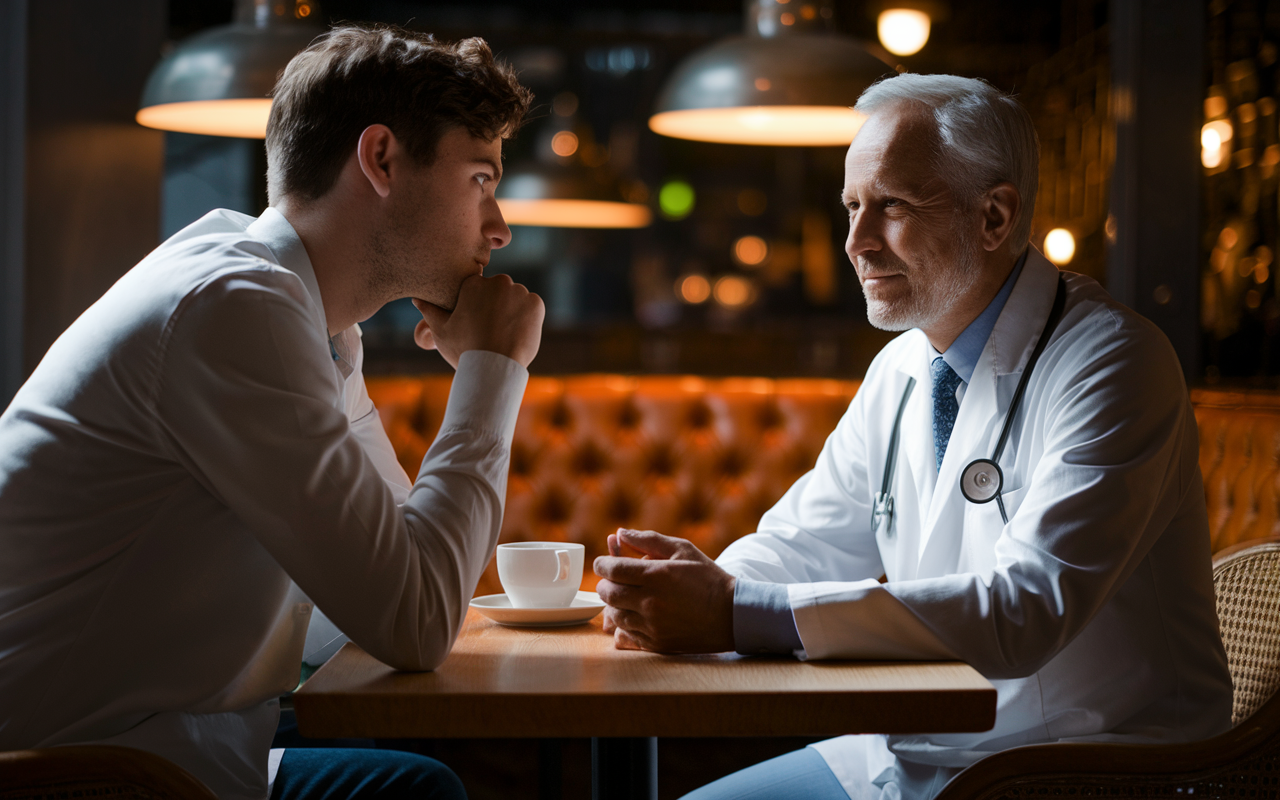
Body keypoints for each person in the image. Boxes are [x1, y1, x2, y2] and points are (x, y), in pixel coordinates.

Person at [593, 73, 1234, 800]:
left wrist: (730, 611)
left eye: (891, 206)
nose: (856, 243)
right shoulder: (904, 363)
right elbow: (809, 542)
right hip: (910, 750)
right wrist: (695, 590)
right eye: (851, 208)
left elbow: (1025, 610)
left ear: (994, 217)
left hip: (1082, 765)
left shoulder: (1116, 363)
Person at [0, 25, 542, 800]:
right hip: (81, 770)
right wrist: (492, 368)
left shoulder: (312, 324)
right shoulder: (233, 309)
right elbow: (415, 619)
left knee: (407, 784)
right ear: (381, 158)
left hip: (185, 747)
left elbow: (392, 593)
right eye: (481, 180)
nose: (499, 228)